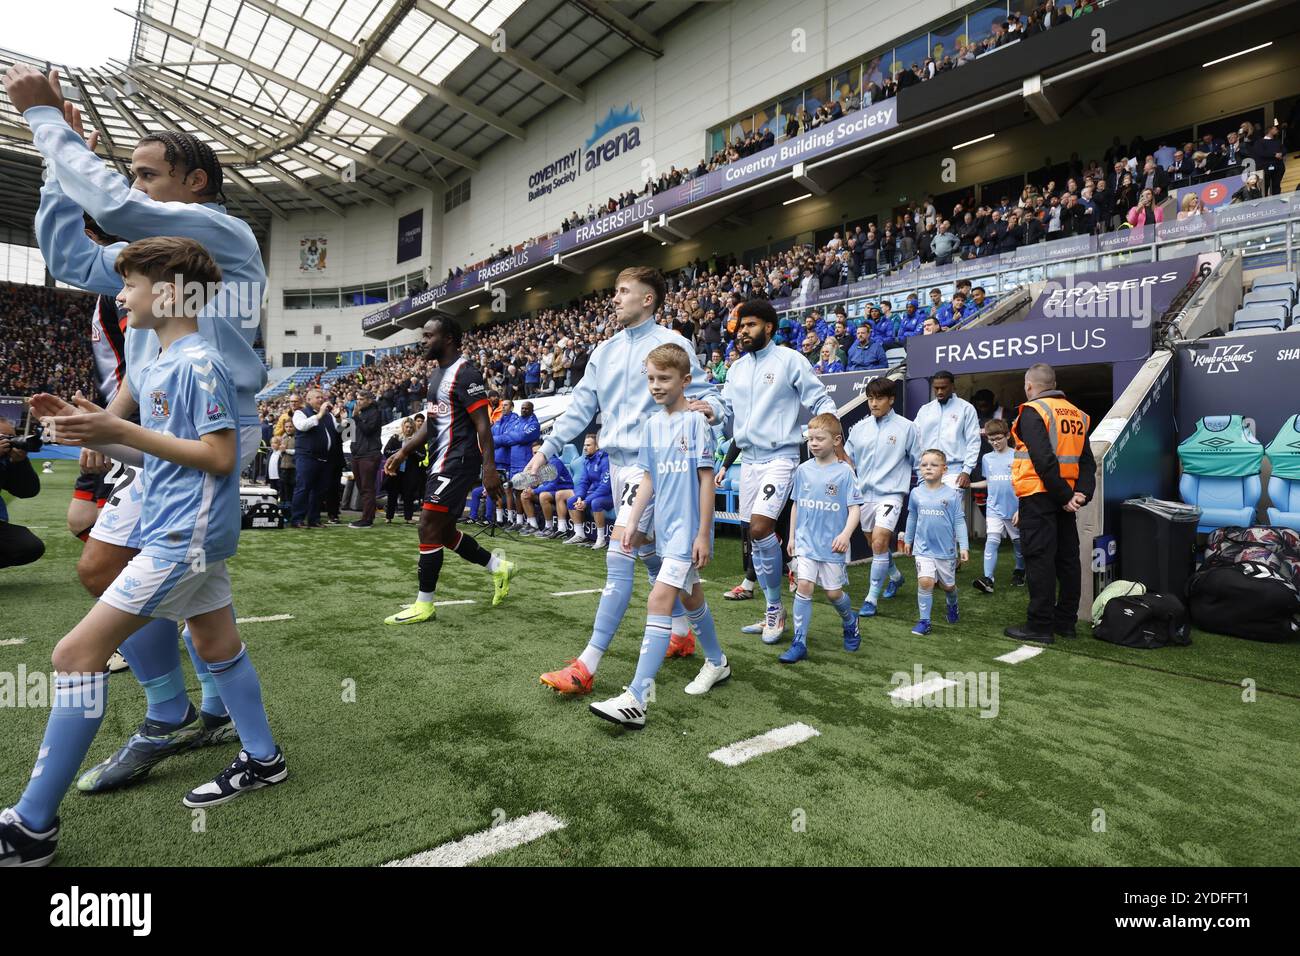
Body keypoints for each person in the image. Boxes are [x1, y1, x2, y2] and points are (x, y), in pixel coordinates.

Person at [11, 67, 268, 790]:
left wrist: (44, 121)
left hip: (212, 427)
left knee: (108, 566)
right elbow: (67, 257)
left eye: (150, 174)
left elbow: (116, 209)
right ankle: (213, 709)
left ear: (195, 183)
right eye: (133, 172)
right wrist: (100, 425)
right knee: (195, 593)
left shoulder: (223, 234)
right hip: (159, 423)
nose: (138, 185)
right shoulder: (158, 269)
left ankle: (168, 712)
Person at [5, 237, 284, 865]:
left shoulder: (197, 364)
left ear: (170, 292)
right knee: (217, 645)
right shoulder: (161, 364)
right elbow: (159, 455)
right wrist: (90, 428)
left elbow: (220, 458)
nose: (122, 296)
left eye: (130, 284)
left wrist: (118, 428)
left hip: (184, 538)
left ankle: (31, 828)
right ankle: (264, 760)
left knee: (75, 655)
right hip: (182, 530)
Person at [535, 267, 725, 695]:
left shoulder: (673, 344)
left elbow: (710, 394)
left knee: (619, 558)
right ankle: (686, 634)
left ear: (648, 299)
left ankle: (586, 665)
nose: (615, 299)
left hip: (656, 466)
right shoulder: (604, 350)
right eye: (615, 291)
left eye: (623, 292)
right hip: (617, 463)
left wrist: (710, 411)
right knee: (655, 558)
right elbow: (581, 407)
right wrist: (545, 453)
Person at [588, 343, 729, 728]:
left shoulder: (696, 423)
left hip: (688, 530)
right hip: (665, 528)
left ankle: (636, 698)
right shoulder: (652, 425)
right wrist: (632, 521)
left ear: (685, 380)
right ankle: (717, 663)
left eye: (664, 378)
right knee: (690, 595)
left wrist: (703, 532)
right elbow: (648, 478)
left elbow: (705, 480)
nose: (656, 385)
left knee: (659, 599)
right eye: (650, 378)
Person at [716, 298, 836, 645]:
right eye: (740, 326)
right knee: (754, 535)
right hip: (748, 462)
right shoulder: (736, 369)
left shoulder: (789, 360)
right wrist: (706, 411)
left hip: (781, 457)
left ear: (769, 327)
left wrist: (829, 431)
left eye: (751, 325)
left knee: (760, 527)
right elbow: (724, 410)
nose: (743, 332)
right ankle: (773, 607)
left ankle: (779, 597)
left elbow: (820, 400)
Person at [381, 318, 514, 625]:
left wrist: (489, 467)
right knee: (443, 532)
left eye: (429, 335)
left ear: (449, 338)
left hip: (459, 461)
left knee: (427, 524)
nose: (423, 341)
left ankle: (424, 604)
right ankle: (498, 567)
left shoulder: (466, 373)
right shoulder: (436, 376)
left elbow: (483, 423)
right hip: (440, 460)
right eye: (422, 336)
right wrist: (404, 450)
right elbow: (432, 423)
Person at [1004, 363, 1096, 643]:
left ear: (1029, 386)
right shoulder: (1078, 415)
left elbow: (1043, 460)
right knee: (1068, 560)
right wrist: (1081, 493)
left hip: (1040, 495)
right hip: (1064, 497)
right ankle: (1065, 623)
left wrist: (1065, 496)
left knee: (1039, 560)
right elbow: (1087, 462)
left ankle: (1040, 626)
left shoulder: (1033, 411)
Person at [779, 413, 862, 663]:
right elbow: (795, 505)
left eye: (819, 438)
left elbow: (855, 508)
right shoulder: (803, 470)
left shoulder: (845, 473)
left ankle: (850, 620)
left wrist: (845, 535)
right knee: (804, 586)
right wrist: (792, 536)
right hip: (805, 542)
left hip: (831, 546)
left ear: (836, 440)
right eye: (810, 439)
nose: (813, 443)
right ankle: (799, 642)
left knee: (833, 594)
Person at [845, 377, 918, 616]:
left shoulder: (907, 428)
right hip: (864, 495)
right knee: (874, 544)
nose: (874, 403)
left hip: (891, 495)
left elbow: (919, 460)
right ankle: (895, 576)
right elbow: (848, 461)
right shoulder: (858, 428)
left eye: (879, 398)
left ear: (891, 399)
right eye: (870, 398)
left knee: (878, 542)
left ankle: (871, 599)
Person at [900, 449, 969, 636]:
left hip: (945, 550)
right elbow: (912, 517)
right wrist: (908, 539)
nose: (928, 468)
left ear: (944, 469)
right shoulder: (916, 493)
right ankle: (925, 621)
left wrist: (963, 546)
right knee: (925, 582)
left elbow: (959, 521)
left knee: (948, 586)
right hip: (923, 549)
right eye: (924, 465)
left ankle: (952, 604)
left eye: (934, 465)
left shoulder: (952, 495)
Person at [970, 418, 1025, 592]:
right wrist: (969, 485)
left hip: (1014, 509)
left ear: (1008, 435)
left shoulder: (1018, 455)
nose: (995, 442)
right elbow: (989, 482)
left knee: (1018, 544)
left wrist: (1022, 508)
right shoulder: (987, 458)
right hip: (994, 508)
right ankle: (988, 579)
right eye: (991, 439)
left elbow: (1025, 483)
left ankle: (1020, 571)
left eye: (999, 438)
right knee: (992, 541)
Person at [913, 370, 981, 489]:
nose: (939, 392)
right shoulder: (925, 410)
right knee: (927, 507)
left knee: (948, 506)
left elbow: (973, 441)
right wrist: (919, 470)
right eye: (936, 388)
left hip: (954, 470)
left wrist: (966, 471)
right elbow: (915, 440)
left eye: (943, 388)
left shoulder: (966, 408)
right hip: (927, 469)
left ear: (953, 387)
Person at [0, 417, 44, 570]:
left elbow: (28, 491)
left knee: (28, 546)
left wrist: (20, 462)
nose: (9, 442)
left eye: (11, 437)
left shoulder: (5, 460)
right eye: (3, 438)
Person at [290, 388, 337, 528]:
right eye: (318, 397)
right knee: (303, 488)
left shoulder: (329, 416)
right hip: (307, 457)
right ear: (308, 400)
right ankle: (297, 519)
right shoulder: (300, 413)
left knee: (319, 490)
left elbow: (339, 429)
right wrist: (320, 414)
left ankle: (314, 519)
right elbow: (302, 426)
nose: (321, 399)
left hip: (324, 458)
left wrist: (340, 417)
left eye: (322, 397)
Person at [563, 433, 613, 548]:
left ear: (597, 447)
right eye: (584, 445)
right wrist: (580, 497)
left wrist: (587, 501)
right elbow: (583, 482)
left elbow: (604, 488)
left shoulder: (605, 461)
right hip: (596, 494)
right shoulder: (587, 460)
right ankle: (580, 534)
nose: (585, 447)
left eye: (588, 445)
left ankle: (601, 539)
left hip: (610, 495)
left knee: (596, 503)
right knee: (572, 500)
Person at [520, 439, 573, 536]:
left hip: (563, 490)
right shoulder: (537, 464)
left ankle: (549, 527)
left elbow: (552, 485)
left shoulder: (554, 462)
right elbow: (536, 483)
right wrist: (528, 488)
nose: (536, 455)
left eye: (538, 452)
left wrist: (534, 491)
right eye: (534, 453)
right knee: (524, 495)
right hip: (551, 492)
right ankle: (533, 525)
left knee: (543, 495)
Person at [348, 389, 382, 528]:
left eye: (361, 399)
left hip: (369, 454)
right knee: (362, 487)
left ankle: (367, 519)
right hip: (358, 454)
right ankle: (368, 515)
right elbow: (350, 433)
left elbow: (368, 430)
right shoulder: (359, 413)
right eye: (357, 399)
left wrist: (356, 418)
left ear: (369, 400)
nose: (358, 402)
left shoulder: (375, 413)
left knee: (367, 488)